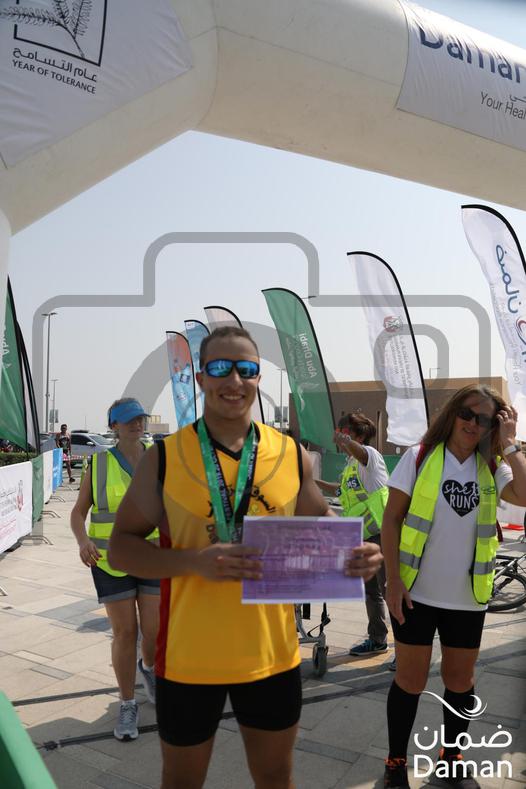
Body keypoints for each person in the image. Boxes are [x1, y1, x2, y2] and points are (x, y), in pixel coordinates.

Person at [108, 327, 383, 789]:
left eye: (246, 369)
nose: (233, 379)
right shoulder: (166, 458)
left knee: (275, 778)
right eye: (219, 368)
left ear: (258, 378)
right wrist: (193, 562)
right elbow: (120, 547)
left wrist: (353, 555)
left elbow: (319, 524)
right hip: (189, 658)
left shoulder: (291, 454)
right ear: (200, 378)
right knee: (181, 782)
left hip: (271, 657)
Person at [381, 384, 526, 789]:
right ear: (452, 413)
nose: (473, 424)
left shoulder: (493, 465)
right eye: (467, 414)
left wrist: (510, 443)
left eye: (485, 419)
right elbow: (391, 520)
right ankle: (395, 761)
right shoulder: (419, 456)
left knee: (460, 682)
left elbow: (525, 494)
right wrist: (393, 580)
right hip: (415, 594)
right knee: (410, 681)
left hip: (467, 599)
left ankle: (451, 755)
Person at [70, 398, 160, 742]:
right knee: (125, 633)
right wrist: (82, 541)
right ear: (114, 426)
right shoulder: (99, 464)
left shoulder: (158, 460)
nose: (137, 424)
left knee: (152, 631)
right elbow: (78, 513)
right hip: (110, 561)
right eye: (129, 419)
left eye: (140, 418)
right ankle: (127, 703)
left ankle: (147, 668)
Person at [316, 413, 390, 657]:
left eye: (344, 432)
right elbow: (338, 490)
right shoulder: (350, 465)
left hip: (382, 535)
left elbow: (362, 453)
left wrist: (345, 440)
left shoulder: (370, 456)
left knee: (390, 591)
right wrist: (312, 481)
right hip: (363, 538)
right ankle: (377, 639)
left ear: (357, 435)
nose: (339, 437)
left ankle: (406, 650)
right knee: (372, 593)